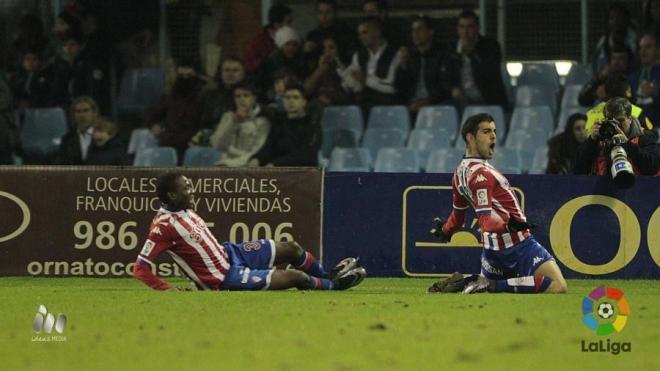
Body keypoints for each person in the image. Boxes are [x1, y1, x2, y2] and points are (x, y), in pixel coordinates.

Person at [133, 173, 366, 291]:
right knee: (296, 277)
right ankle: (335, 286)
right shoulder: (162, 227)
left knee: (291, 248)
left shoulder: (182, 208)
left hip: (231, 254)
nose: (192, 192)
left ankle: (327, 276)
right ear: (172, 196)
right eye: (187, 189)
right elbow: (140, 269)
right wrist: (169, 291)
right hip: (223, 278)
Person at [428, 113, 567, 294]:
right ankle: (489, 285)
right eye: (486, 131)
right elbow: (486, 222)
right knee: (558, 285)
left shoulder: (459, 173)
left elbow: (458, 216)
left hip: (492, 252)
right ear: (470, 137)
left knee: (508, 285)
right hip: (517, 245)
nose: (493, 136)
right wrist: (509, 226)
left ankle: (466, 282)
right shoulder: (482, 175)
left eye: (494, 131)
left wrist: (445, 230)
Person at [574, 97, 660, 176]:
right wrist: (591, 140)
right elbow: (578, 170)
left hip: (637, 189)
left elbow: (653, 167)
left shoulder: (644, 137)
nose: (617, 126)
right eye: (612, 121)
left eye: (620, 120)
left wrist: (628, 145)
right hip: (601, 190)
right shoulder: (599, 140)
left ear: (629, 119)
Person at [395, 15, 459, 115]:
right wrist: (402, 66)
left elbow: (445, 87)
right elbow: (400, 87)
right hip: (412, 104)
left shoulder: (442, 55)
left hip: (435, 104)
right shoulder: (409, 56)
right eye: (413, 30)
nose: (415, 34)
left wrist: (427, 102)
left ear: (430, 32)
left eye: (420, 29)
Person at [146, 60, 205, 161]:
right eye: (181, 76)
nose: (184, 79)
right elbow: (152, 115)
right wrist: (155, 124)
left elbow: (206, 125)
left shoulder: (204, 98)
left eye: (188, 76)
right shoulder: (169, 97)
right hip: (169, 142)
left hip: (193, 145)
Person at [249, 83, 320, 167]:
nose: (291, 101)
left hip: (301, 173)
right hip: (275, 170)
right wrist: (257, 159)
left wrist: (276, 164)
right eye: (287, 98)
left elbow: (306, 154)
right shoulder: (279, 121)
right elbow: (269, 146)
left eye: (295, 97)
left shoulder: (312, 124)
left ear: (304, 102)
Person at [451, 10, 508, 109]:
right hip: (461, 101)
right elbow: (447, 74)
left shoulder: (490, 46)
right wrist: (454, 88)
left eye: (470, 26)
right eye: (462, 27)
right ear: (457, 29)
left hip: (487, 98)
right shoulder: (451, 49)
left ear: (477, 28)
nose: (465, 31)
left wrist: (471, 53)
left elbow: (491, 73)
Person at [207, 81, 271, 167]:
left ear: (254, 98)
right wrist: (233, 123)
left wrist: (231, 164)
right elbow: (218, 145)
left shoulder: (263, 121)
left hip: (245, 164)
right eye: (238, 96)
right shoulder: (228, 116)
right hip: (223, 162)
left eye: (246, 95)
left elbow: (256, 152)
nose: (242, 99)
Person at [346, 16, 402, 110]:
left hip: (387, 103)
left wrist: (365, 80)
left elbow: (392, 87)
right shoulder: (358, 55)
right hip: (363, 102)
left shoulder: (395, 54)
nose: (361, 37)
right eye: (359, 34)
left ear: (377, 32)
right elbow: (353, 84)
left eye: (364, 33)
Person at [198, 56, 246, 130]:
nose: (231, 74)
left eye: (235, 70)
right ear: (220, 72)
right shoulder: (209, 96)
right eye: (227, 70)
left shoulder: (251, 96)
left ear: (243, 73)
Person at [243, 4, 293, 74]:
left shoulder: (293, 39)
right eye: (288, 23)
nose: (291, 27)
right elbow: (250, 66)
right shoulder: (258, 42)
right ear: (277, 25)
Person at [304, 0, 356, 65]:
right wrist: (307, 52)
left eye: (328, 12)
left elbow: (352, 58)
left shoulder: (346, 33)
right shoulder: (312, 36)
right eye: (320, 12)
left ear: (335, 13)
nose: (324, 16)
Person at [591, 4, 638, 76]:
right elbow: (596, 68)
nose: (616, 21)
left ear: (625, 19)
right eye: (612, 18)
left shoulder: (636, 42)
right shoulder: (602, 43)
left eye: (619, 17)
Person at [56, 96, 99, 165]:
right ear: (74, 115)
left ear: (94, 113)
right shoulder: (67, 140)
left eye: (86, 110)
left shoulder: (107, 136)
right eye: (78, 112)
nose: (82, 115)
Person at [629, 31, 660, 125]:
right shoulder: (633, 76)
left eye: (648, 47)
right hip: (638, 128)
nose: (643, 51)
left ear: (658, 51)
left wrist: (656, 92)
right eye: (641, 47)